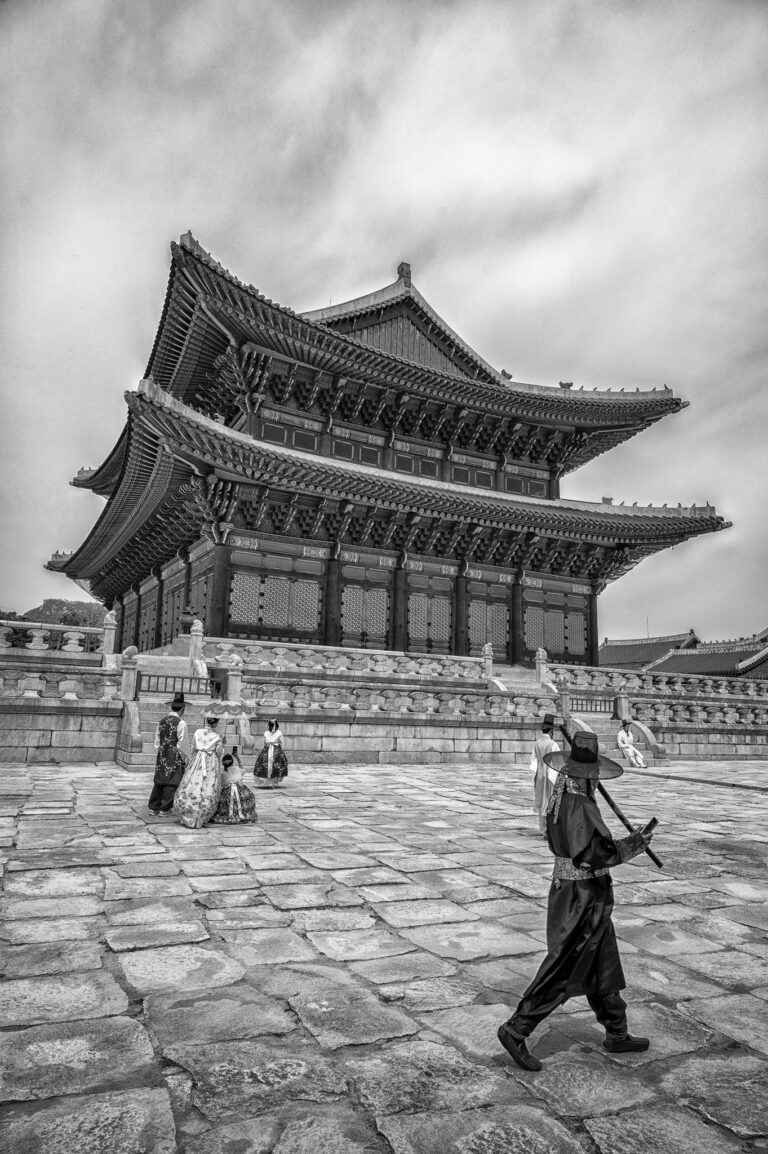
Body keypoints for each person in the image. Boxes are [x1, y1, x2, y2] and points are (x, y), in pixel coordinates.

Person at [497, 729, 655, 1072]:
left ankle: (617, 1031)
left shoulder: (561, 796)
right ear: (589, 774)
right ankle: (516, 1030)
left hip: (577, 893)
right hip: (581, 898)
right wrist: (633, 844)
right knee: (565, 967)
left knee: (603, 961)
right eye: (594, 774)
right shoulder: (579, 804)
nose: (597, 780)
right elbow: (594, 854)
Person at [173, 715, 224, 828]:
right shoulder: (218, 736)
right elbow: (219, 753)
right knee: (208, 785)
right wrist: (222, 743)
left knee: (191, 782)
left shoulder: (197, 732)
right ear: (216, 723)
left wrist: (189, 762)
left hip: (197, 760)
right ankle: (200, 816)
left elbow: (193, 748)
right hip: (210, 762)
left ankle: (188, 813)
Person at [148, 692, 189, 814]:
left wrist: (162, 751)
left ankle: (155, 807)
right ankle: (165, 808)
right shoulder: (181, 723)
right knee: (172, 781)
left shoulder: (161, 721)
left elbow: (156, 742)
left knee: (160, 779)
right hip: (174, 754)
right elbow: (183, 744)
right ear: (182, 709)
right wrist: (184, 758)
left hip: (162, 753)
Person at [530, 713, 560, 835]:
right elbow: (557, 763)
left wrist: (536, 775)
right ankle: (550, 830)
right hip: (550, 774)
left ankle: (542, 829)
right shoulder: (553, 744)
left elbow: (533, 762)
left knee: (541, 799)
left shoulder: (536, 744)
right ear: (552, 731)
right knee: (549, 801)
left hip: (539, 774)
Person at [212, 747, 258, 824]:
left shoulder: (223, 775)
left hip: (228, 792)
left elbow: (221, 782)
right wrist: (237, 757)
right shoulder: (237, 769)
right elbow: (244, 769)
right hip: (240, 790)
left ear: (223, 764)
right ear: (232, 762)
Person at [254, 718, 288, 788]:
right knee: (269, 765)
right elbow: (281, 742)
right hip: (272, 749)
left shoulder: (275, 733)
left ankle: (272, 782)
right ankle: (269, 782)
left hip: (272, 749)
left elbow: (265, 742)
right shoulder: (272, 733)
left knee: (274, 765)